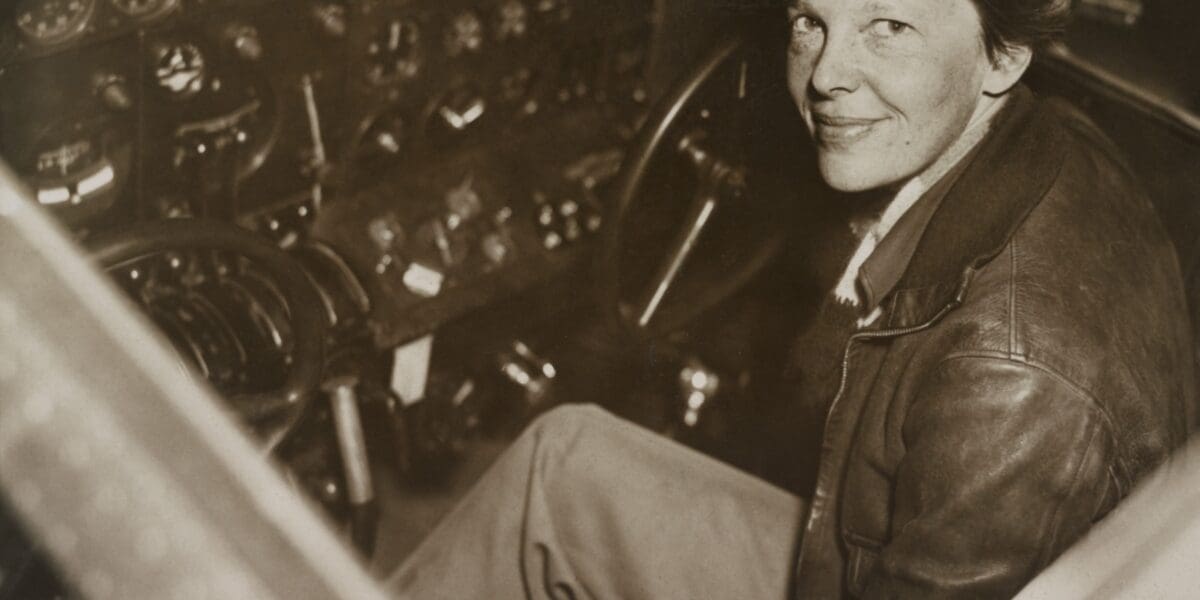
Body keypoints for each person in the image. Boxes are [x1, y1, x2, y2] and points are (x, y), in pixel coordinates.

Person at [387, 0, 1197, 598]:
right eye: (810, 19)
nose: (825, 75)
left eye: (889, 27)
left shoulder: (1016, 384)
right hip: (860, 555)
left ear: (1004, 54)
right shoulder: (1030, 141)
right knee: (559, 466)